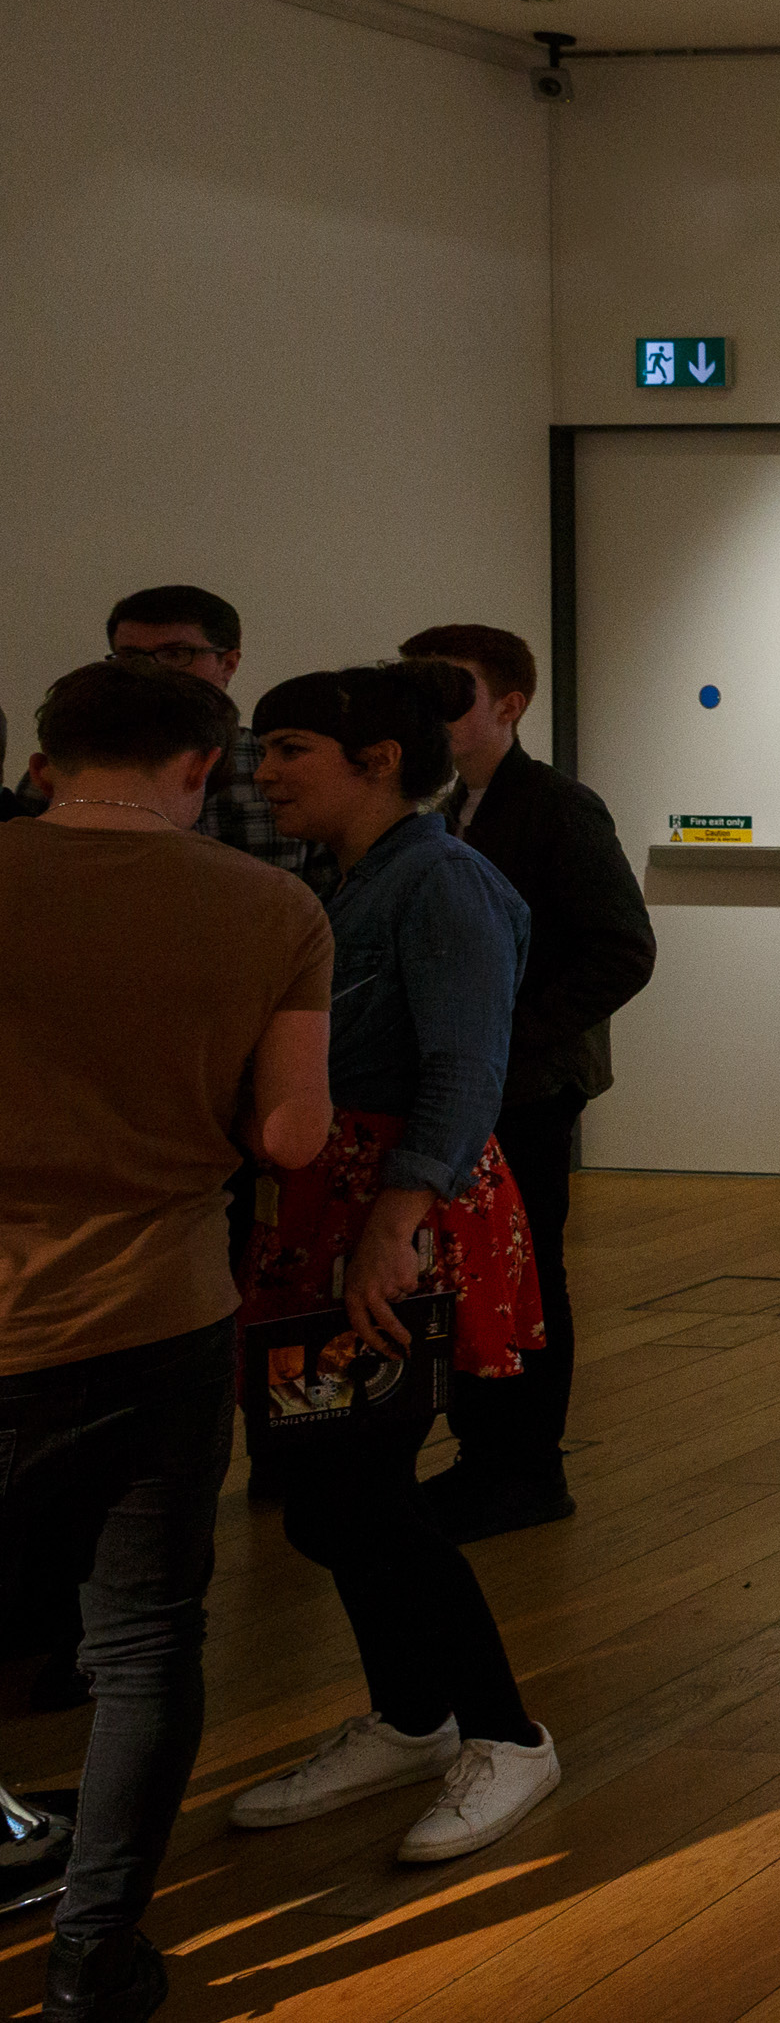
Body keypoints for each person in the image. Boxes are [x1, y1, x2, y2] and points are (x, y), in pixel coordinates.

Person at [0, 658, 334, 2022]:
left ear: (48, 753)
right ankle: (94, 1963)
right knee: (142, 1643)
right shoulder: (272, 906)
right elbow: (291, 1135)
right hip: (157, 1311)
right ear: (202, 767)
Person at [227, 661, 564, 1859]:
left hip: (400, 1211)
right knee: (325, 1495)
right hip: (343, 1203)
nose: (262, 775)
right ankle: (412, 1713)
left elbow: (465, 1070)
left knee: (359, 1489)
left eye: (288, 751)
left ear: (374, 760)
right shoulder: (354, 876)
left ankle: (502, 1731)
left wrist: (390, 1226)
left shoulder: (443, 882)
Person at [396, 625, 656, 1541]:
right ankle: (490, 1460)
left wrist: (504, 1035)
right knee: (478, 1271)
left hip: (529, 1086)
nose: (428, 707)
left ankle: (524, 1468)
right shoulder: (436, 805)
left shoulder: (555, 807)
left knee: (525, 1270)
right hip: (479, 1080)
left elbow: (622, 948)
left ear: (510, 705)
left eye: (449, 690)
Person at [96, 587, 313, 879]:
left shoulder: (280, 766)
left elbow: (330, 903)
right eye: (132, 656)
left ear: (228, 663)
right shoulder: (78, 765)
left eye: (175, 654)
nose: (151, 670)